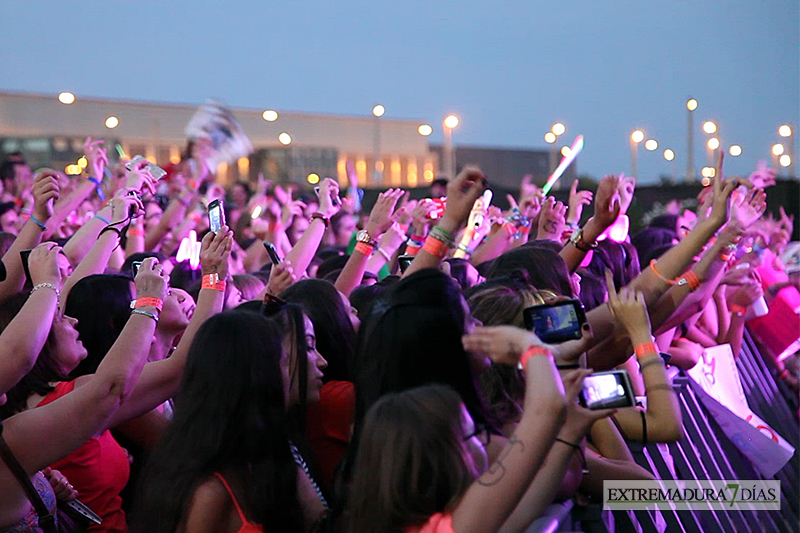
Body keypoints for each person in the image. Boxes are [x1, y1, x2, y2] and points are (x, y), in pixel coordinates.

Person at [0, 249, 166, 532]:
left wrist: (43, 487)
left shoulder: (13, 435)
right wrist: (149, 301)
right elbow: (113, 388)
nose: (73, 321)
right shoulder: (15, 437)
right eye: (59, 318)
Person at [131, 311, 304, 533]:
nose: (290, 374)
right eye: (284, 362)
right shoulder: (209, 494)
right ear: (258, 377)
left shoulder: (252, 460)